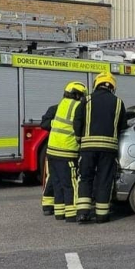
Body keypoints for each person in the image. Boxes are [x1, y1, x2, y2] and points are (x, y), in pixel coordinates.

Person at [75, 72, 127, 224]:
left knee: (85, 178)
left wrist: (80, 140)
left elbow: (77, 122)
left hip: (88, 148)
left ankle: (83, 213)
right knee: (104, 180)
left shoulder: (87, 100)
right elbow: (123, 126)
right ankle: (102, 215)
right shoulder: (118, 102)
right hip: (109, 149)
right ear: (112, 86)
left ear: (96, 84)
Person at [46, 82, 87, 222]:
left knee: (57, 183)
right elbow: (78, 126)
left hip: (52, 150)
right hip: (67, 151)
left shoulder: (61, 104)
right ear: (77, 94)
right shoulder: (77, 106)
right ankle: (71, 215)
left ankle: (59, 213)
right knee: (70, 184)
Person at [40, 101, 58, 217]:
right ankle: (48, 205)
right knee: (52, 177)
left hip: (60, 148)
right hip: (55, 149)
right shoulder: (55, 109)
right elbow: (44, 124)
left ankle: (54, 204)